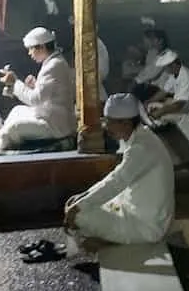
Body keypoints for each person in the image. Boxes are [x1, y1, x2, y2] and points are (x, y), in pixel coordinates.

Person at [65, 93, 175, 250]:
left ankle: (112, 243)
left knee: (79, 215)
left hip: (146, 226)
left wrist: (80, 206)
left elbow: (117, 181)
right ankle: (107, 239)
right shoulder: (140, 137)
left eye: (110, 122)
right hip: (131, 208)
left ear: (126, 123)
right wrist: (83, 197)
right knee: (76, 204)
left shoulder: (140, 148)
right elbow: (115, 177)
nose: (106, 127)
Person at [0, 27, 76, 152]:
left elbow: (35, 100)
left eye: (31, 49)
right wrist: (34, 85)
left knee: (12, 128)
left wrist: (15, 82)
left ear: (42, 47)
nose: (29, 53)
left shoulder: (54, 65)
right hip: (49, 116)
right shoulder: (53, 62)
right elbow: (48, 94)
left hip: (55, 125)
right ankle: (1, 140)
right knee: (17, 110)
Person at [146, 50, 189, 124]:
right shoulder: (174, 74)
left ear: (173, 65)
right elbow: (164, 91)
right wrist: (149, 101)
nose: (165, 70)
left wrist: (159, 112)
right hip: (181, 107)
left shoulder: (185, 76)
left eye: (166, 67)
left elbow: (179, 105)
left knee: (160, 119)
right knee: (152, 106)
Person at [131, 28, 170, 100]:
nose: (145, 42)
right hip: (151, 87)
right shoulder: (152, 52)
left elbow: (150, 73)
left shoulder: (166, 56)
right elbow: (147, 69)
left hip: (162, 91)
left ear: (160, 41)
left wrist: (136, 79)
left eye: (150, 39)